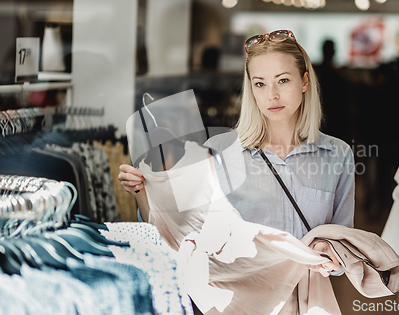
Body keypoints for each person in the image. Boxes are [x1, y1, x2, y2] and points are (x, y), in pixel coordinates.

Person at [118, 29, 355, 279]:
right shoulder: (218, 151)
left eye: (283, 80)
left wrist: (330, 253)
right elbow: (175, 235)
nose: (271, 94)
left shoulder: (337, 155)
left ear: (305, 81)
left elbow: (344, 249)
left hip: (310, 300)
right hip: (240, 300)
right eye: (260, 83)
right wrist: (143, 191)